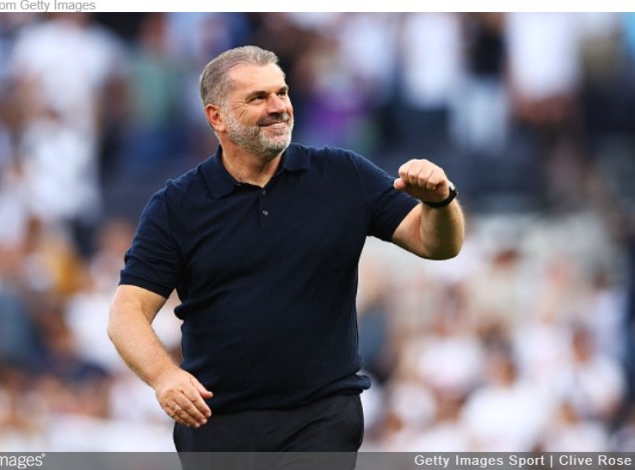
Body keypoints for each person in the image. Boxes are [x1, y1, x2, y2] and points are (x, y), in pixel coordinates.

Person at [107, 45, 465, 458]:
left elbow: (436, 244)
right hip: (215, 422)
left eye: (282, 92)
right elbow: (126, 312)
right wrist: (164, 377)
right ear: (216, 117)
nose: (278, 107)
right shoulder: (177, 206)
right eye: (258, 98)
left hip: (322, 415)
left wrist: (440, 201)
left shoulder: (342, 174)